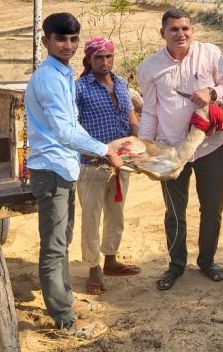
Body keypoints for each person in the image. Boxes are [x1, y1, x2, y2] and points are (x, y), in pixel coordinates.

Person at [25, 12, 123, 338]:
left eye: (72, 39)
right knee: (53, 247)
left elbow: (72, 127)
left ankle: (66, 299)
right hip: (51, 169)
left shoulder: (63, 73)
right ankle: (64, 320)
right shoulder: (48, 79)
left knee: (62, 241)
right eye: (61, 39)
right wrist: (105, 150)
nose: (67, 45)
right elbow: (65, 131)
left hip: (64, 167)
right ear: (46, 41)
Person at [137, 9, 223, 291]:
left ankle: (207, 261)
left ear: (193, 30)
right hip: (170, 150)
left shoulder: (210, 54)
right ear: (162, 33)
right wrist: (146, 148)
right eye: (174, 29)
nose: (181, 34)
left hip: (209, 147)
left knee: (212, 207)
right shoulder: (150, 67)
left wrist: (212, 93)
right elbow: (151, 111)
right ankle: (176, 265)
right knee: (175, 212)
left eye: (185, 29)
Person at [76, 37, 141, 296]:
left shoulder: (122, 83)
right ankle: (93, 268)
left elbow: (130, 114)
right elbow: (73, 126)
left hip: (120, 165)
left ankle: (111, 259)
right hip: (92, 164)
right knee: (91, 217)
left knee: (117, 213)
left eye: (108, 57)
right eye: (98, 57)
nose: (104, 62)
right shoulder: (79, 88)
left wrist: (134, 137)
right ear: (89, 60)